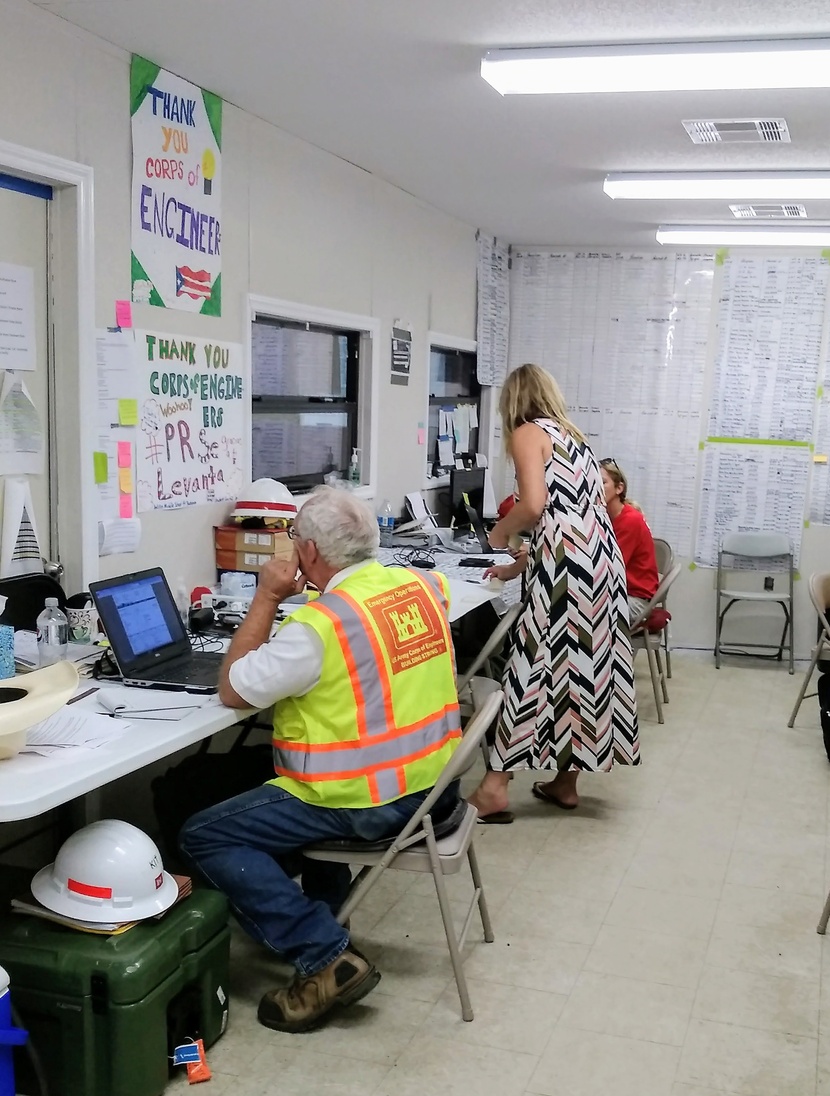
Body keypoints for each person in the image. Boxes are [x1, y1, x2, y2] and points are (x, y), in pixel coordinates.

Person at [180, 487, 463, 1034]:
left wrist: (266, 598)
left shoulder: (320, 627)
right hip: (435, 782)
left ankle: (324, 953)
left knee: (204, 834)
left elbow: (234, 690)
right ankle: (325, 917)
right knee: (250, 780)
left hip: (367, 799)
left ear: (308, 553)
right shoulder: (424, 586)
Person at [469, 363, 640, 822]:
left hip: (567, 568)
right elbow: (572, 513)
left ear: (513, 402)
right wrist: (520, 563)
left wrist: (499, 533)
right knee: (585, 665)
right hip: (599, 561)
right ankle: (566, 782)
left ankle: (494, 787)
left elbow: (535, 506)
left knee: (530, 664)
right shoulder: (574, 437)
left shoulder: (527, 432)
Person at [599, 458, 659, 621]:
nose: (595, 488)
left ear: (619, 488)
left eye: (602, 483)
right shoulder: (606, 517)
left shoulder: (629, 520)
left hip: (635, 600)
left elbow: (609, 568)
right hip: (619, 593)